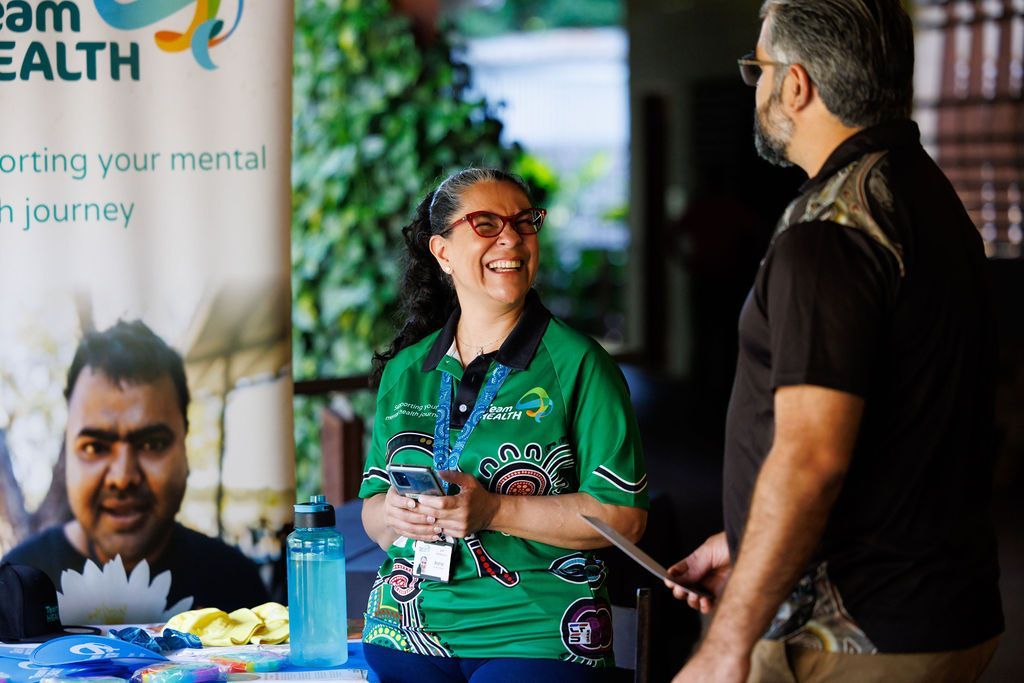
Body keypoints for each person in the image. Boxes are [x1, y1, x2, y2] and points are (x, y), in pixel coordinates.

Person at [665, 2, 1004, 681]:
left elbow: (810, 458)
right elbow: (901, 423)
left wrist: (727, 641)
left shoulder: (830, 231)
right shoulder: (922, 193)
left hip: (854, 634)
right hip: (939, 607)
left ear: (796, 85)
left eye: (757, 67)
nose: (754, 86)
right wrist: (750, 539)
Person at [359, 168, 648, 681]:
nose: (511, 237)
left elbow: (623, 518)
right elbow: (374, 515)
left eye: (523, 223)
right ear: (442, 252)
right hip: (404, 630)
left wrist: (492, 509)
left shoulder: (580, 364)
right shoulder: (406, 372)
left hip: (539, 636)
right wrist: (398, 515)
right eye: (486, 223)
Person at [3, 320, 269, 617]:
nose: (123, 477)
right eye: (95, 447)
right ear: (67, 452)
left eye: (152, 444)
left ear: (185, 445)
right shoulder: (14, 589)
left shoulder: (237, 590)